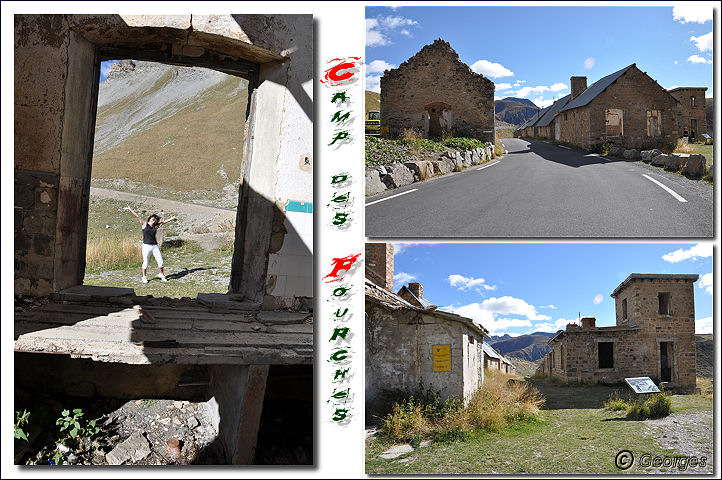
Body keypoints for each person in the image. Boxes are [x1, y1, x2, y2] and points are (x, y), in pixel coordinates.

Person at [124, 206, 177, 283]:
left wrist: (172, 218)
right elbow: (137, 216)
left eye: (155, 221)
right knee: (146, 262)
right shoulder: (144, 224)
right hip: (146, 246)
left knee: (161, 261)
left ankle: (161, 274)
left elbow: (163, 222)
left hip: (155, 246)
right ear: (149, 219)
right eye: (152, 220)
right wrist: (130, 209)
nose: (153, 221)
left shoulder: (155, 227)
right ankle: (144, 277)